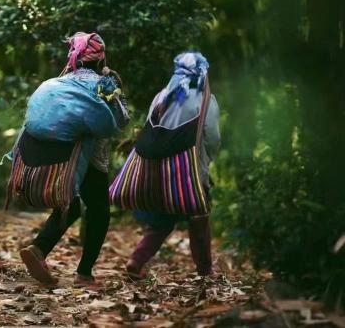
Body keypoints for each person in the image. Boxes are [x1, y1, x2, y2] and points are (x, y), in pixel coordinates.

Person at [18, 32, 129, 286]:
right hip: (88, 158)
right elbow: (121, 121)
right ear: (100, 59)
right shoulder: (103, 84)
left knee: (71, 204)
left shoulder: (57, 83)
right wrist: (116, 86)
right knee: (99, 211)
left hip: (57, 155)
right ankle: (84, 273)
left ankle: (38, 249)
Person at [125, 52, 220, 279]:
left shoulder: (162, 96)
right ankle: (205, 271)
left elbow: (151, 128)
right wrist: (207, 161)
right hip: (191, 170)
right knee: (199, 218)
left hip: (159, 170)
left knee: (162, 219)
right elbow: (213, 138)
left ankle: (136, 260)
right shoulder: (205, 100)